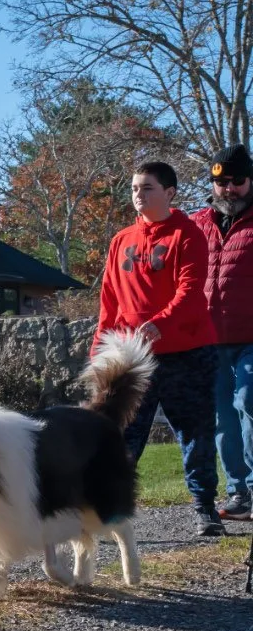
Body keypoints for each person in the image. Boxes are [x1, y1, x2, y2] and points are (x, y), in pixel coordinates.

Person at [102, 161, 224, 537]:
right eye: (136, 187)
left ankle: (205, 509)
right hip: (134, 356)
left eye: (148, 188)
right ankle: (111, 511)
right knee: (124, 436)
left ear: (169, 193)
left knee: (195, 433)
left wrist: (160, 323)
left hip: (187, 353)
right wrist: (101, 350)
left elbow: (191, 291)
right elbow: (108, 300)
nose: (139, 194)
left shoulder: (188, 235)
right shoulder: (121, 240)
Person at [191, 144, 253, 522]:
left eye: (238, 181)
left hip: (250, 337)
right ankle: (239, 492)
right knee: (221, 419)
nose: (229, 189)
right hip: (209, 339)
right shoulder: (197, 224)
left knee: (248, 400)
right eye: (221, 182)